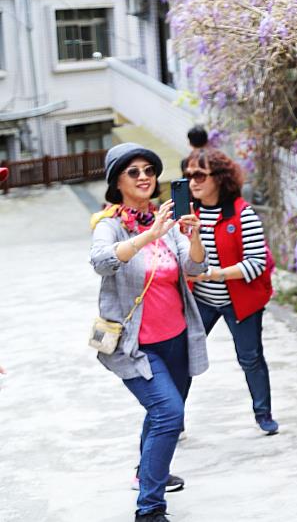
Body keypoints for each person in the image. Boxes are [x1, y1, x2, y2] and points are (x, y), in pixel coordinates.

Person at [90, 143, 209, 522]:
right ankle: (150, 508)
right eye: (133, 172)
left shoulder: (166, 220)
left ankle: (147, 472)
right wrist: (148, 234)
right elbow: (102, 261)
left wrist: (192, 235)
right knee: (168, 414)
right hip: (135, 346)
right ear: (117, 182)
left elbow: (193, 268)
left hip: (177, 338)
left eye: (148, 170)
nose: (144, 177)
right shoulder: (109, 225)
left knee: (161, 412)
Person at [183, 147, 279, 434]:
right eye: (189, 176)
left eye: (200, 175)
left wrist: (216, 274)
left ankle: (263, 414)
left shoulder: (242, 214)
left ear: (219, 178)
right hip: (201, 300)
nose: (193, 182)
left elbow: (256, 263)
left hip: (240, 301)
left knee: (250, 357)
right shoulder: (188, 214)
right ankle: (172, 421)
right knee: (184, 357)